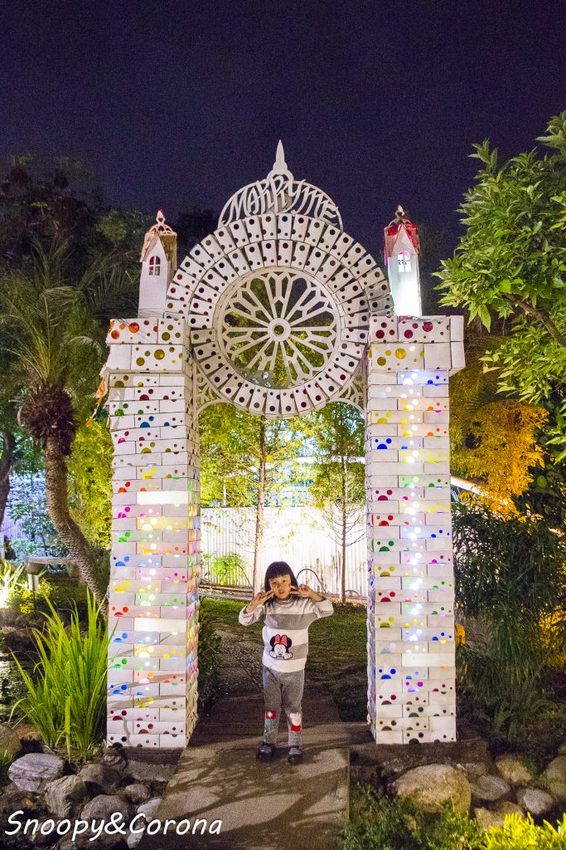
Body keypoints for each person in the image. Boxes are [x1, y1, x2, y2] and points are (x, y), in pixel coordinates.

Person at [239, 560, 333, 764]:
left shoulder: (304, 606)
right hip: (270, 669)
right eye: (274, 583)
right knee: (271, 707)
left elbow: (328, 610)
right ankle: (268, 742)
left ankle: (295, 745)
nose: (280, 586)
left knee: (293, 708)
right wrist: (255, 604)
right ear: (268, 586)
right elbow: (244, 620)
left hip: (295, 670)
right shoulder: (267, 608)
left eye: (284, 581)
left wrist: (312, 595)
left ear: (292, 581)